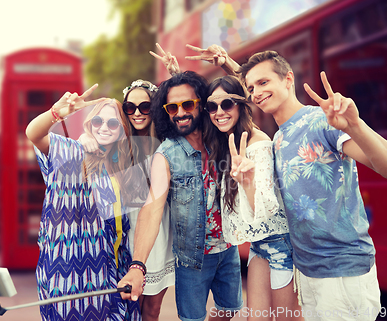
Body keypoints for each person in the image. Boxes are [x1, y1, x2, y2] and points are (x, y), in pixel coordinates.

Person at [202, 48, 387, 320]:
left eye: (264, 83)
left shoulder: (321, 122)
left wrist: (355, 126)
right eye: (251, 87)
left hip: (343, 270)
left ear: (288, 79)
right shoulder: (278, 138)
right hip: (306, 272)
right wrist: (226, 64)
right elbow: (238, 96)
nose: (256, 92)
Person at [118, 71, 243, 321]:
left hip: (230, 249)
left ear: (201, 104)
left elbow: (244, 106)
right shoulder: (166, 154)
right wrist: (137, 265)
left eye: (187, 104)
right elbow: (152, 207)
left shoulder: (222, 136)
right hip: (192, 259)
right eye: (172, 107)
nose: (180, 112)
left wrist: (227, 65)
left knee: (229, 311)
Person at [25, 86, 141, 321]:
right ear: (89, 124)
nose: (104, 127)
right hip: (67, 279)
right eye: (98, 121)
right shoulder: (70, 153)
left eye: (113, 123)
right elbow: (34, 134)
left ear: (121, 131)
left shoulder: (122, 169)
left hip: (111, 275)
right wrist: (56, 114)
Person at [203, 75, 302, 321]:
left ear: (240, 105)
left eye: (226, 104)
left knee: (286, 319)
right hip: (260, 245)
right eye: (212, 106)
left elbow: (266, 207)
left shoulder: (257, 144)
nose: (219, 112)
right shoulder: (227, 142)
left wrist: (247, 182)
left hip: (281, 245)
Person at [81, 78, 175, 321]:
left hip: (158, 227)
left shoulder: (167, 143)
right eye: (129, 107)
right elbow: (91, 148)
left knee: (152, 310)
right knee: (130, 307)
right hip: (125, 231)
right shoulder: (117, 139)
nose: (137, 113)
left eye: (145, 107)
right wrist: (84, 140)